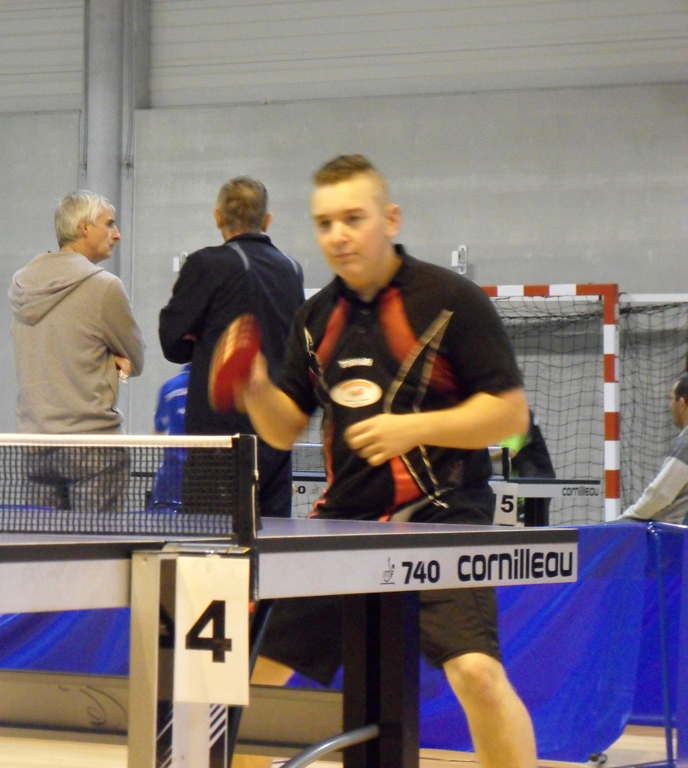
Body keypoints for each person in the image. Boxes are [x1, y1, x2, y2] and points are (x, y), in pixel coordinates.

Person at [236, 155, 537, 768]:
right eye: (324, 223)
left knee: (477, 674)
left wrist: (414, 428)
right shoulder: (315, 318)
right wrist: (255, 387)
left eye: (353, 218)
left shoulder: (450, 300)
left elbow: (511, 417)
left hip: (444, 519)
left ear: (390, 219)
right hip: (343, 523)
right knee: (244, 678)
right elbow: (283, 428)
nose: (338, 235)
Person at [159, 176, 304, 517]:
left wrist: (199, 339)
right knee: (271, 537)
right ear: (267, 220)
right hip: (274, 435)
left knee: (213, 540)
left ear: (217, 217)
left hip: (218, 441)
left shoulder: (206, 264)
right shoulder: (292, 270)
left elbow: (171, 341)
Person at [10, 191, 144, 511]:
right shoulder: (105, 287)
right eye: (109, 224)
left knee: (46, 543)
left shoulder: (21, 284)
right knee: (95, 542)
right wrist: (112, 360)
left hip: (35, 446)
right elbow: (135, 359)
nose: (117, 234)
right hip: (93, 446)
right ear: (84, 227)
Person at [618, 372, 688, 523]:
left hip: (676, 533)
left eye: (671, 399)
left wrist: (621, 522)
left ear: (682, 403)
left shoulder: (686, 446)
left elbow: (658, 496)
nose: (670, 406)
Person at [149, 364, 190, 508]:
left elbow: (158, 428)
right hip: (207, 472)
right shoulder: (219, 389)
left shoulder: (169, 387)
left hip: (173, 473)